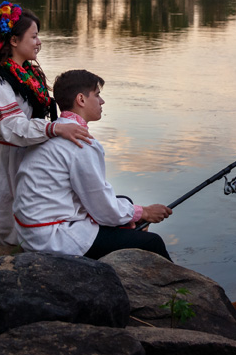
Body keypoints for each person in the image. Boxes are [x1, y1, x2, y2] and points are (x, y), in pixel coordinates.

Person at [0, 1, 92, 249]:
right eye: (34, 36)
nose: (39, 42)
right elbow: (10, 126)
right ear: (14, 41)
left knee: (20, 212)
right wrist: (54, 129)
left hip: (22, 151)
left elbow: (39, 116)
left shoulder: (30, 74)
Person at [13, 69, 173, 261]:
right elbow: (102, 207)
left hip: (31, 231)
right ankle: (176, 289)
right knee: (152, 242)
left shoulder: (54, 131)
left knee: (126, 203)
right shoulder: (81, 143)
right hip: (53, 237)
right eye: (97, 95)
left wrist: (133, 212)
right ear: (81, 99)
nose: (102, 101)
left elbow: (97, 201)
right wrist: (144, 211)